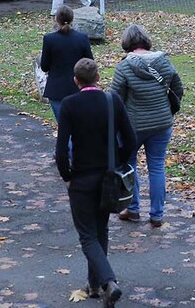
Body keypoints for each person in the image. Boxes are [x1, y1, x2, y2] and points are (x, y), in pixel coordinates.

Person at [56, 58, 136, 307]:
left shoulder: (69, 105)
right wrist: (119, 162)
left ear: (76, 81)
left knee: (87, 236)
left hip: (81, 178)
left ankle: (108, 282)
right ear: (99, 78)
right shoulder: (113, 101)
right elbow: (131, 141)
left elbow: (61, 150)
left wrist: (67, 176)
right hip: (107, 178)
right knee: (100, 230)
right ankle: (94, 286)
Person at [110, 24, 184, 228]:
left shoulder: (124, 67)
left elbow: (115, 98)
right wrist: (169, 110)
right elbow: (178, 88)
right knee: (157, 167)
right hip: (161, 123)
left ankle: (132, 209)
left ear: (127, 43)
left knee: (130, 165)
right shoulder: (164, 62)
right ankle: (157, 214)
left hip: (133, 126)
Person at [40, 6, 93, 124]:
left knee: (64, 126)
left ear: (56, 19)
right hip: (79, 88)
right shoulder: (82, 38)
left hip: (56, 89)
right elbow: (89, 63)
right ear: (72, 19)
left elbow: (44, 66)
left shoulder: (49, 39)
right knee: (78, 125)